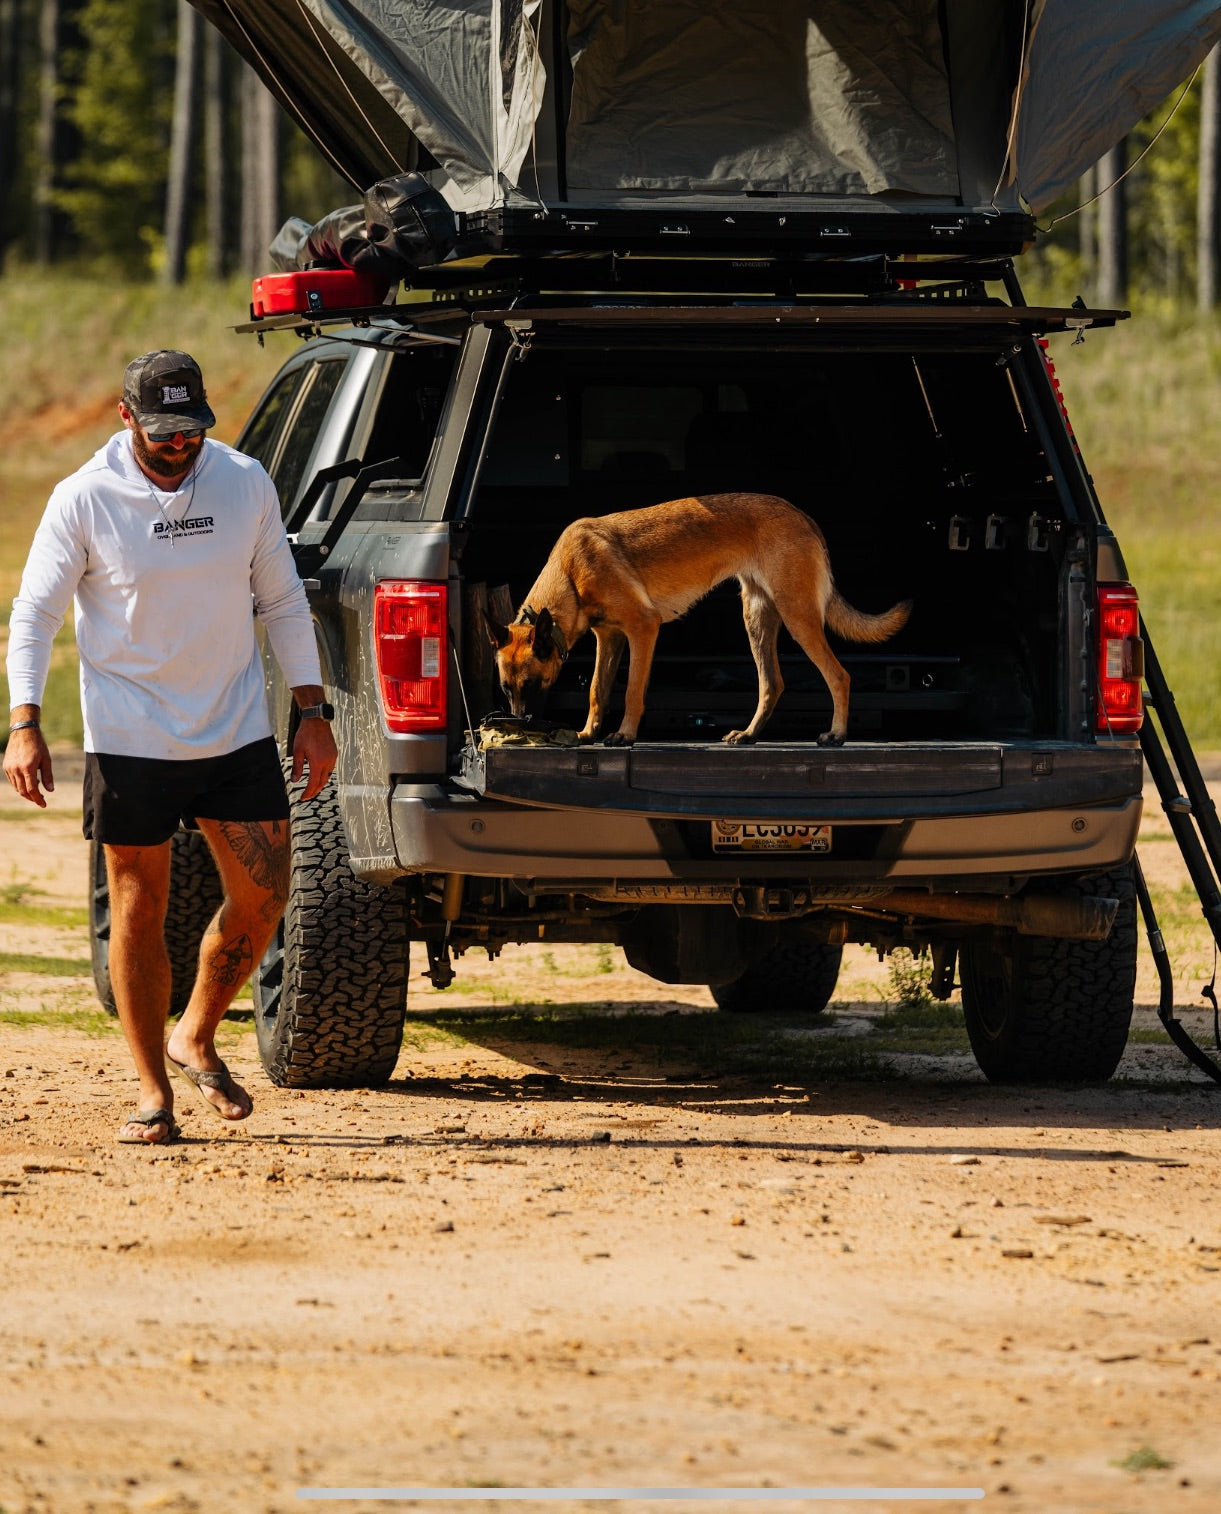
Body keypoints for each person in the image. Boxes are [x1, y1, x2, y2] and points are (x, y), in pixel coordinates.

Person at [4, 350, 338, 1146]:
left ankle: (195, 1031)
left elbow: (282, 598)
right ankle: (155, 1090)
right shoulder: (84, 498)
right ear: (125, 417)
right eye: (162, 430)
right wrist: (23, 723)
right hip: (131, 736)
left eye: (191, 428)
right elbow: (34, 614)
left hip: (232, 727)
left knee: (265, 894)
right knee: (138, 907)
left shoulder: (243, 480)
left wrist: (312, 710)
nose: (179, 443)